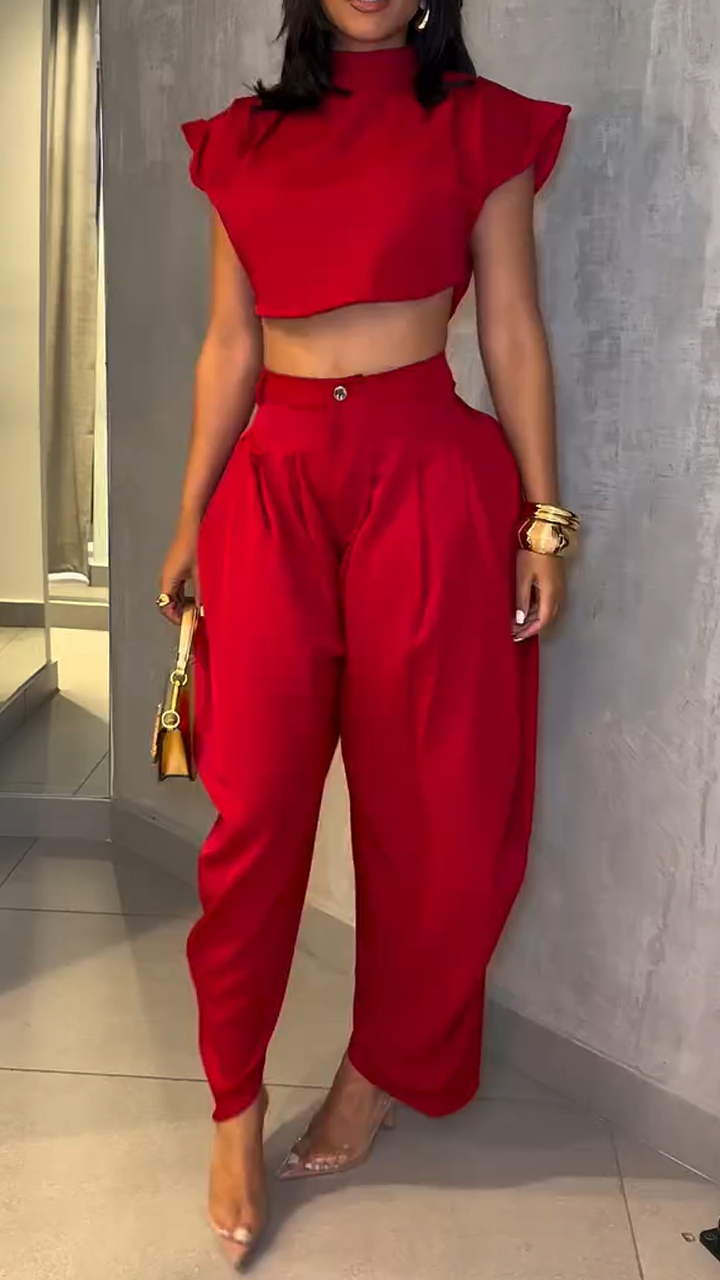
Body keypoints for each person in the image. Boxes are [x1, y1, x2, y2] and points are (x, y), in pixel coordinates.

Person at [158, 0, 576, 1268]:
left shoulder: (479, 129)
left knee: (435, 805)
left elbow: (510, 327)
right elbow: (230, 342)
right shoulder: (243, 139)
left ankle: (377, 1066)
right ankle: (233, 1103)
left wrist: (544, 518)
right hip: (273, 484)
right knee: (255, 810)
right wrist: (189, 515)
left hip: (429, 475)